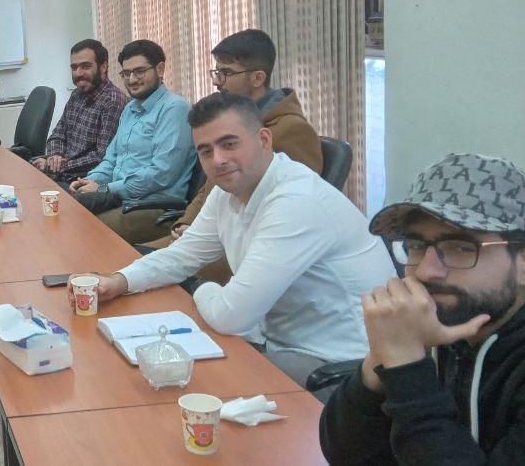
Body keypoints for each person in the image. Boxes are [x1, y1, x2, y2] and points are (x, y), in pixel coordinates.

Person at [88, 93, 394, 394]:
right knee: (150, 369)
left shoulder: (296, 202)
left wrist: (198, 286)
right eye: (206, 151)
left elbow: (231, 316)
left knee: (191, 386)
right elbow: (181, 255)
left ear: (264, 139)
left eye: (229, 144)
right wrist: (120, 281)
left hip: (339, 365)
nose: (218, 160)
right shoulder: (228, 191)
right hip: (274, 339)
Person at [320, 153, 525, 464]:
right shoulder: (439, 326)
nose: (426, 271)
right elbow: (346, 455)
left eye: (460, 247)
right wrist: (382, 358)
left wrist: (408, 370)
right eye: (416, 246)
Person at [141, 29, 323, 282]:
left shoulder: (291, 130)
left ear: (258, 77)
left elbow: (292, 214)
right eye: (217, 72)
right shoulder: (230, 122)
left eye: (226, 73)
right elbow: (210, 188)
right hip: (206, 236)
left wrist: (198, 234)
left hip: (244, 251)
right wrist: (186, 224)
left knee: (144, 270)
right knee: (129, 260)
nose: (218, 82)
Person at [68, 39, 196, 243]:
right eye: (126, 73)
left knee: (84, 231)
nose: (132, 79)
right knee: (63, 211)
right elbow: (111, 159)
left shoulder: (174, 109)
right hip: (120, 198)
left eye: (139, 71)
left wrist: (103, 190)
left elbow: (161, 174)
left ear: (160, 69)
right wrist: (91, 180)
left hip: (153, 207)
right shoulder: (130, 108)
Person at [32, 39, 129, 183]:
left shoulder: (112, 101)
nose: (78, 73)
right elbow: (57, 135)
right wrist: (55, 156)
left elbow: (101, 157)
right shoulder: (77, 94)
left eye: (85, 66)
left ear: (103, 67)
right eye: (74, 67)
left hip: (82, 180)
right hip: (61, 172)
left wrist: (52, 166)